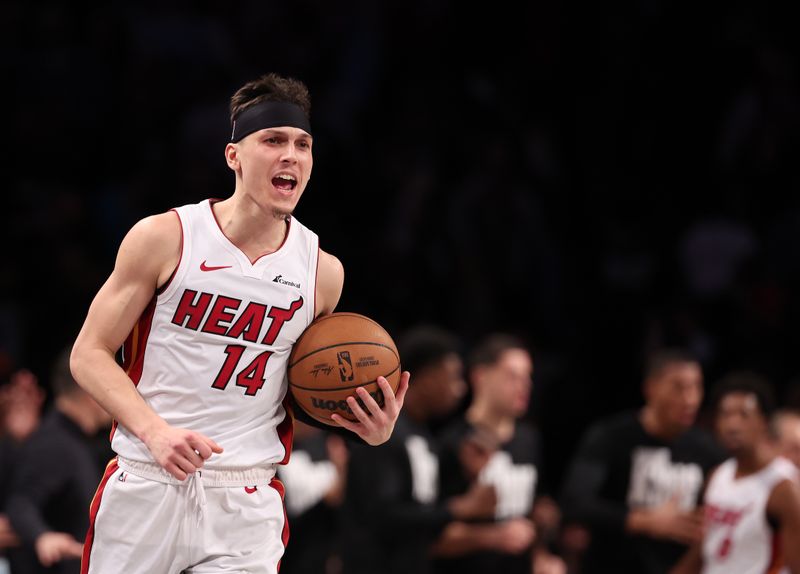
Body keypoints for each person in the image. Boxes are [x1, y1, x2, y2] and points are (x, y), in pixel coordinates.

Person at [69, 73, 410, 574]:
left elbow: (300, 389)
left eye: (303, 144)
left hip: (245, 497)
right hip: (148, 480)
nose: (290, 155)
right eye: (273, 141)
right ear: (234, 156)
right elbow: (89, 355)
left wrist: (364, 427)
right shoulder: (167, 238)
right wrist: (156, 432)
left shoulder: (322, 272)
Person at [341, 326, 495, 574]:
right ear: (426, 378)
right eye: (453, 376)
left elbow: (422, 507)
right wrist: (457, 509)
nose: (460, 388)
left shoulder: (424, 436)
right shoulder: (383, 432)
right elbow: (382, 515)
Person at [560, 349, 725, 574]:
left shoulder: (708, 449)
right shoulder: (611, 436)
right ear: (651, 388)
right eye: (678, 387)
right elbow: (574, 502)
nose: (690, 399)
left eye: (696, 387)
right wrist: (642, 521)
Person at [433, 334, 564, 574]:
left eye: (528, 377)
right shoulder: (451, 442)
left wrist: (542, 555)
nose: (525, 386)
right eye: (512, 376)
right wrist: (492, 537)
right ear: (480, 377)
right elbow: (431, 537)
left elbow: (529, 513)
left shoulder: (529, 439)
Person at [671, 372, 800, 573]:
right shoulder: (717, 475)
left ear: (765, 422)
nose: (733, 425)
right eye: (725, 414)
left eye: (744, 415)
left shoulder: (783, 487)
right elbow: (704, 548)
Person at [5, 347, 111, 574]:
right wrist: (42, 536)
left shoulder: (77, 443)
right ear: (90, 389)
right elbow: (21, 502)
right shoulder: (54, 444)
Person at [277, 420, 348, 574]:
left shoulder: (330, 444)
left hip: (322, 554)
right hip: (288, 554)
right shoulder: (274, 450)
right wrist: (326, 500)